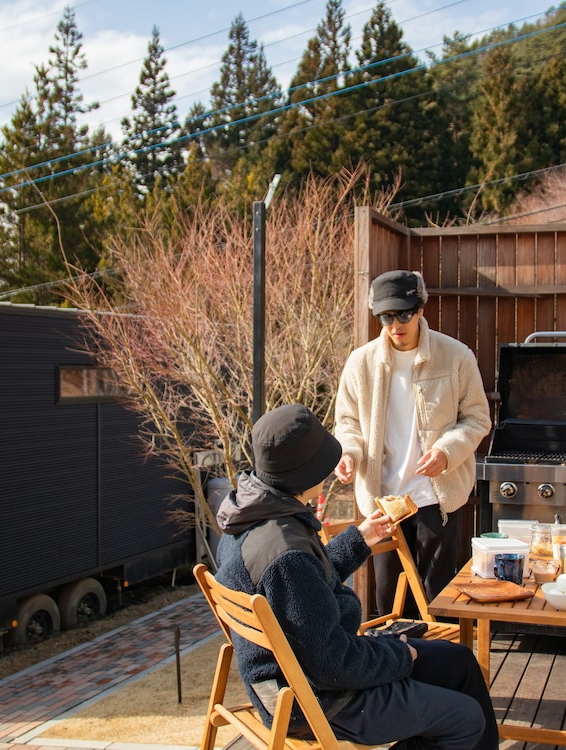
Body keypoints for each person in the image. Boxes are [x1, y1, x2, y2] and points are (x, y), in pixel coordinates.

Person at [215, 403, 498, 750]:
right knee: (465, 720)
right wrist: (399, 655)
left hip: (304, 675)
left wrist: (359, 539)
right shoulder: (286, 556)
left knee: (459, 662)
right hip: (315, 700)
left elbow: (302, 594)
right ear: (307, 474)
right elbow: (333, 662)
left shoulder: (249, 520)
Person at [334, 269, 491, 615]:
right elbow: (347, 422)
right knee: (389, 600)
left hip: (437, 498)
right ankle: (394, 653)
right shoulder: (361, 363)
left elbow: (478, 418)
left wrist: (447, 452)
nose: (396, 324)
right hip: (383, 501)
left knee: (439, 599)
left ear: (420, 309)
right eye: (386, 317)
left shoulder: (456, 357)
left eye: (404, 314)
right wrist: (348, 453)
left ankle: (440, 652)